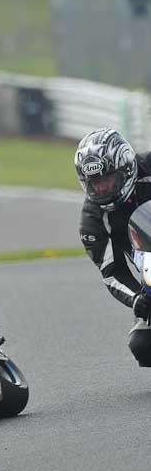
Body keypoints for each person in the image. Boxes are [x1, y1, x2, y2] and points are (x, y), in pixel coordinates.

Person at [75, 127, 151, 367]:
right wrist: (137, 299)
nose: (100, 188)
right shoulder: (93, 221)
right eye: (93, 182)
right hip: (149, 268)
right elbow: (112, 272)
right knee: (142, 345)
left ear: (125, 168)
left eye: (105, 179)